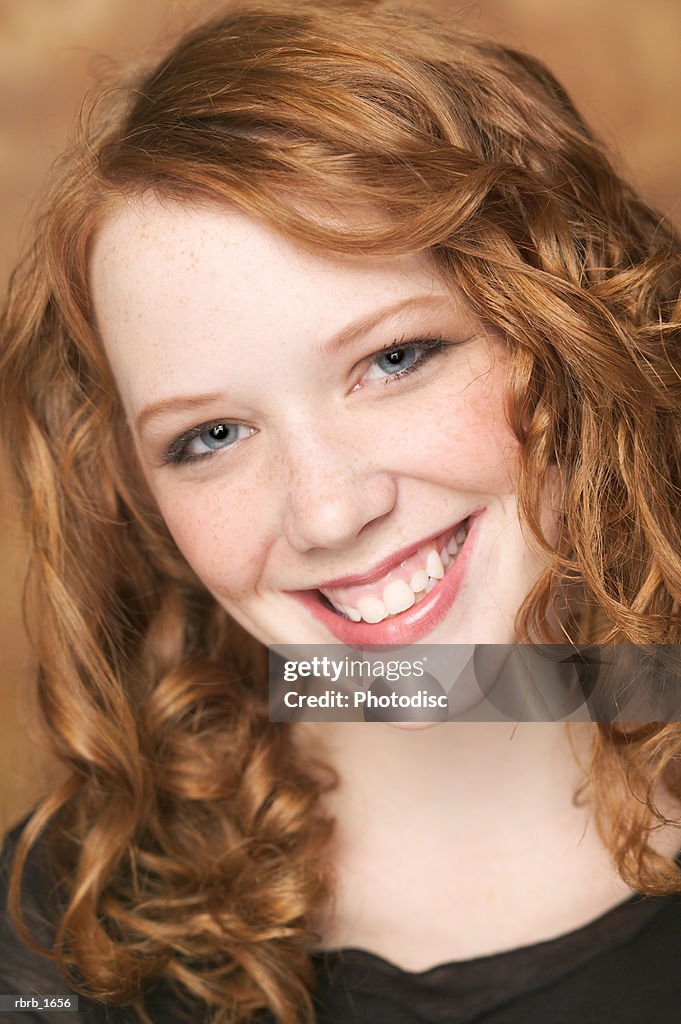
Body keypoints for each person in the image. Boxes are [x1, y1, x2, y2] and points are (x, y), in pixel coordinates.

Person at [1, 1, 681, 1021]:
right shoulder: (55, 932)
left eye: (395, 359)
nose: (326, 513)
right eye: (211, 436)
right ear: (141, 497)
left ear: (568, 329)